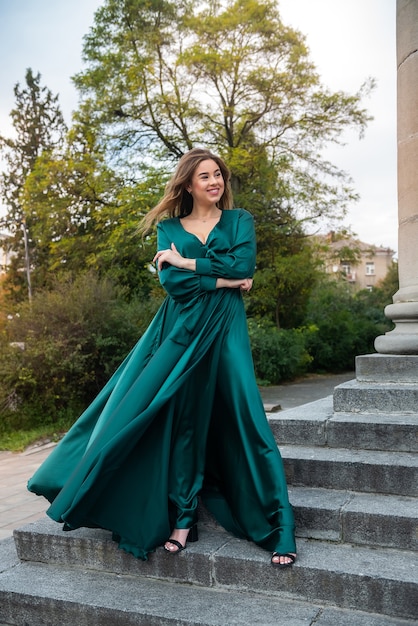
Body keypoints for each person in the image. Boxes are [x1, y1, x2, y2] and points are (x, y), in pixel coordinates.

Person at [28, 147, 297, 568]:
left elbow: (244, 264)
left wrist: (188, 260)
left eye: (218, 175)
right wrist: (225, 278)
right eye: (204, 176)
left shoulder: (240, 220)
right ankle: (184, 519)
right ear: (188, 184)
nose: (214, 182)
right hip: (181, 329)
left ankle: (281, 526)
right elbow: (178, 286)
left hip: (226, 329)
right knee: (184, 419)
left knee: (247, 415)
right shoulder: (169, 227)